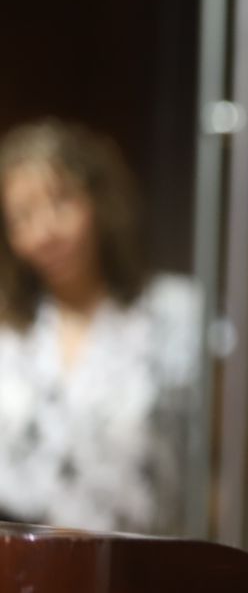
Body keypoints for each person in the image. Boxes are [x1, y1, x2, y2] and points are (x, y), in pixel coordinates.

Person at [0, 120, 197, 534]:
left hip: (142, 562)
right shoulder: (8, 331)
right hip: (18, 563)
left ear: (99, 202)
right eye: (22, 218)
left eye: (61, 202)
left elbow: (222, 466)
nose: (45, 232)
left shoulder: (177, 315)